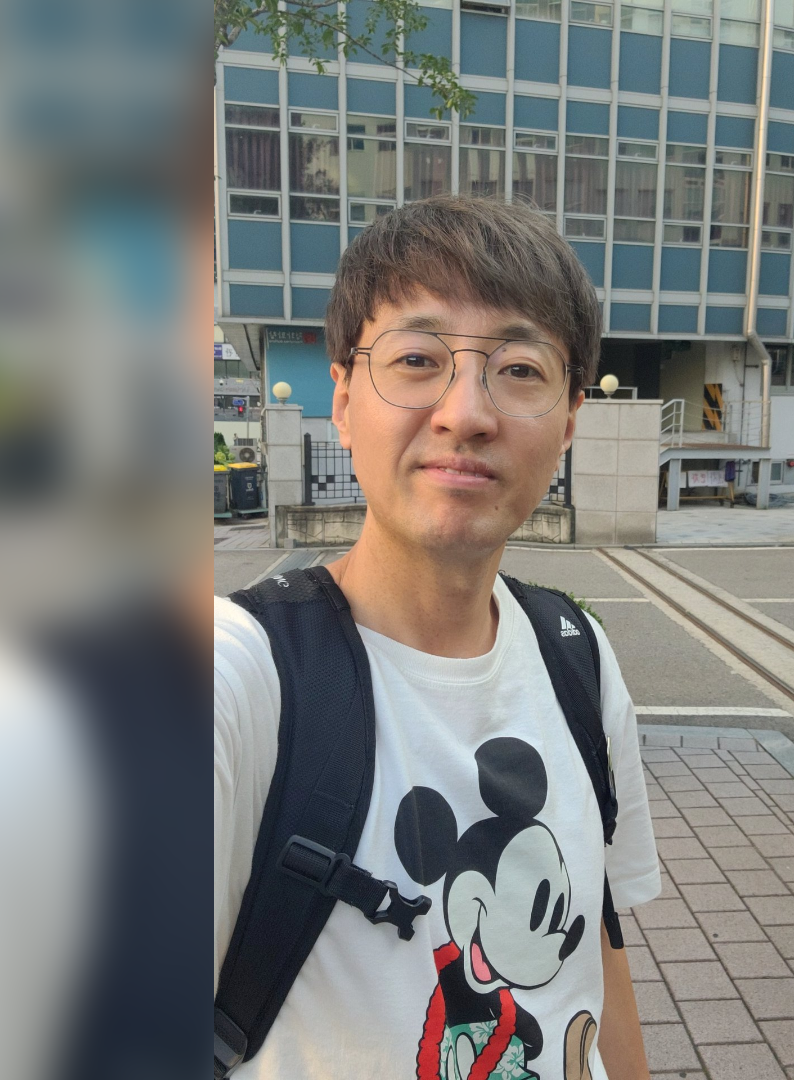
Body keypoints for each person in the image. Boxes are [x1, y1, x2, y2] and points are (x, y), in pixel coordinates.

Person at [214, 196, 660, 1080]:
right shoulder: (238, 679)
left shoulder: (577, 653)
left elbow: (594, 951)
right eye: (417, 359)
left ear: (570, 420)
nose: (466, 413)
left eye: (520, 369)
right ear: (345, 401)